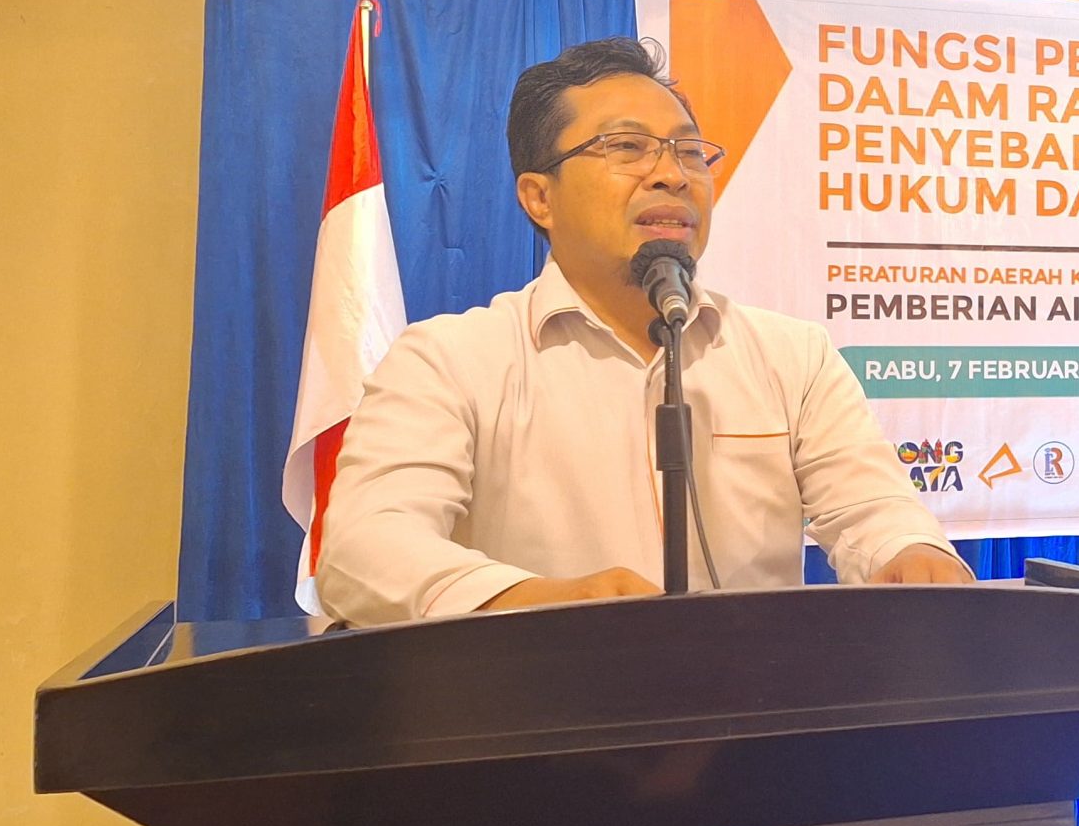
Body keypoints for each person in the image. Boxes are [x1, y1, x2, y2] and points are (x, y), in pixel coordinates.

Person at [316, 36, 970, 623]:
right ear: (539, 197)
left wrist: (911, 552)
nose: (672, 174)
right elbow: (362, 551)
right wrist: (541, 601)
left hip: (753, 706)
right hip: (544, 706)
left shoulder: (793, 356)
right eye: (626, 147)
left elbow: (872, 509)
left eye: (689, 151)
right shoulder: (448, 361)